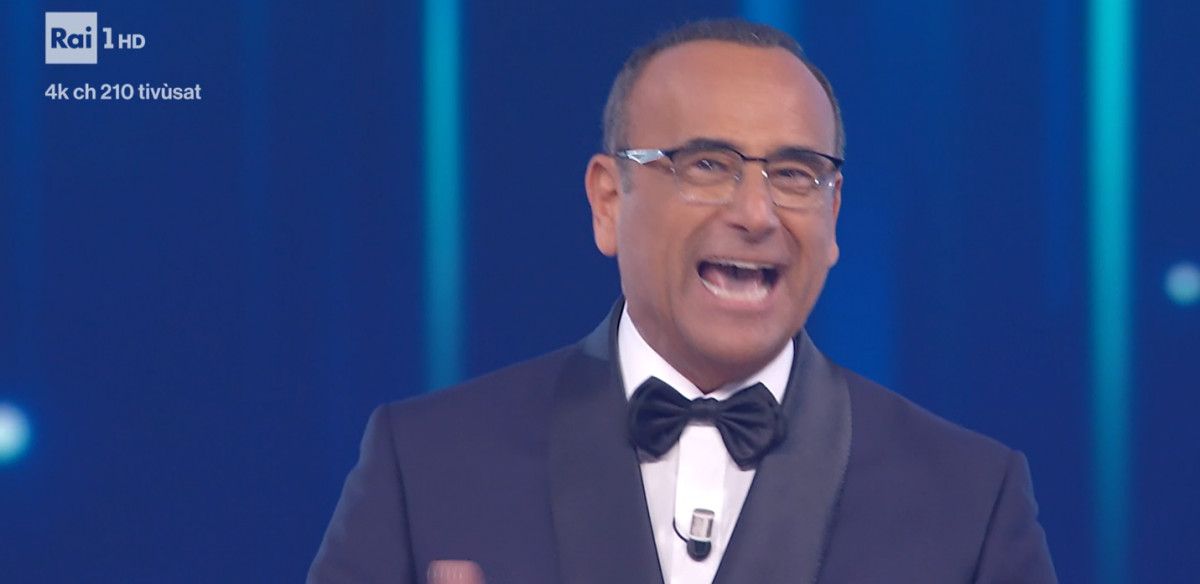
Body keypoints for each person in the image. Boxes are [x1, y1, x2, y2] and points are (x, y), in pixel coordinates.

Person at [308, 18, 1057, 584]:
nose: (757, 214)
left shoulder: (971, 501)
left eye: (795, 174)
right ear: (608, 201)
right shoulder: (427, 465)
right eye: (707, 165)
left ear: (833, 216)